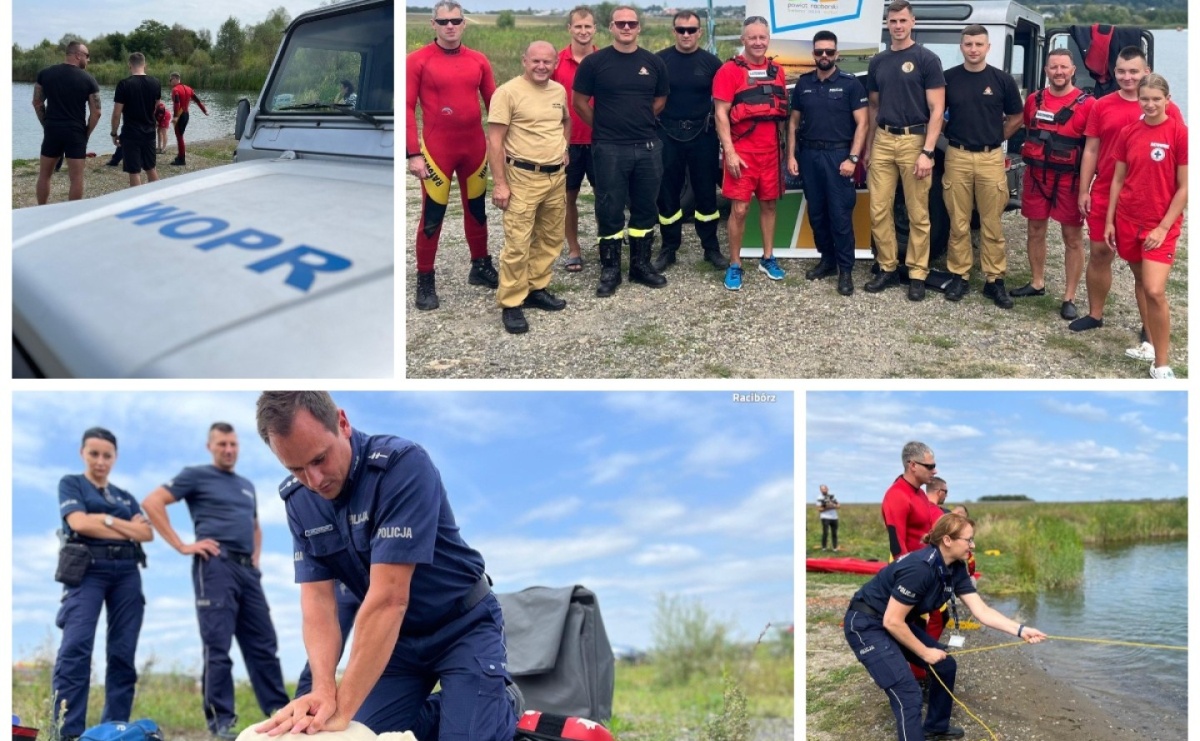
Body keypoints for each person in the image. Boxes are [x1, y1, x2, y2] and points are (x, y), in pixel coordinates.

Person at [254, 392, 520, 738]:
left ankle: (495, 700)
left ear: (343, 423)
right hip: (397, 642)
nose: (314, 480)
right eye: (297, 468)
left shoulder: (401, 465)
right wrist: (323, 689)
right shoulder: (299, 500)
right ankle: (458, 707)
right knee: (359, 735)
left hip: (462, 625)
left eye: (320, 459)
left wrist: (343, 706)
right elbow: (319, 602)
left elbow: (390, 598)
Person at [141, 423, 290, 740]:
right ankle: (222, 723)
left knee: (264, 643)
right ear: (210, 447)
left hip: (247, 570)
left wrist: (256, 560)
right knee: (218, 647)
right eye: (222, 444)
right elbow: (153, 502)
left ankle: (279, 713)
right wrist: (183, 545)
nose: (229, 450)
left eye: (234, 444)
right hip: (215, 566)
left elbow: (255, 526)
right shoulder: (195, 476)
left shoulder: (247, 485)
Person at [845, 513, 1046, 741]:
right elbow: (892, 621)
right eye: (968, 540)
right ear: (948, 540)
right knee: (908, 694)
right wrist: (925, 652)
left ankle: (935, 727)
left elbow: (982, 611)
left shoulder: (956, 567)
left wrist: (1020, 630)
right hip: (868, 625)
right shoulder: (920, 568)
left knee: (945, 665)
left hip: (895, 623)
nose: (973, 545)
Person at [52, 427, 154, 741]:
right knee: (77, 645)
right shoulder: (72, 483)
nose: (100, 461)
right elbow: (79, 522)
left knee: (123, 653)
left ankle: (114, 730)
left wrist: (103, 520)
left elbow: (147, 534)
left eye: (106, 455)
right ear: (83, 453)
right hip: (87, 568)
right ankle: (67, 732)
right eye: (94, 454)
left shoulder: (126, 496)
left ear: (115, 458)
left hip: (126, 571)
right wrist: (123, 525)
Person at [1073, 46, 1179, 334]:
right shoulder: (1101, 105)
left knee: (1142, 267)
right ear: (1114, 72)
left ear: (1146, 71)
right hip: (1107, 188)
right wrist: (1085, 189)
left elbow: (1176, 153)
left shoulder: (1164, 106)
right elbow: (1091, 149)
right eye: (1121, 71)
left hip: (1146, 195)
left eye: (1134, 71)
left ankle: (1149, 326)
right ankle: (1095, 314)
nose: (1127, 76)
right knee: (1099, 253)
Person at [406, 1, 500, 311]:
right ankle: (425, 279)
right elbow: (407, 107)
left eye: (456, 20)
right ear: (432, 24)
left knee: (477, 210)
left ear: (464, 24)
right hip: (437, 151)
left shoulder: (479, 60)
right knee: (433, 215)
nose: (450, 26)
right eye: (443, 21)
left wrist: (504, 144)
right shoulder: (417, 60)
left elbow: (495, 106)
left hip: (473, 148)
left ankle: (480, 265)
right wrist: (413, 154)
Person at [572, 5, 670, 297]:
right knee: (610, 208)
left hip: (647, 147)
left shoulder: (653, 63)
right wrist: (604, 127)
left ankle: (640, 266)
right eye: (620, 23)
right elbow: (579, 103)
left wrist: (639, 123)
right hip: (609, 148)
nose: (626, 28)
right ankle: (611, 269)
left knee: (644, 208)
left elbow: (660, 100)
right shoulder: (594, 63)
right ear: (611, 27)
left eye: (632, 23)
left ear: (639, 28)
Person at [1105, 73, 1187, 380]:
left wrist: (1163, 228)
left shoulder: (1180, 133)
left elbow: (1184, 188)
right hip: (1128, 220)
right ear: (1137, 99)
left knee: (1154, 290)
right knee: (1141, 282)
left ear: (1167, 99)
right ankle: (1150, 344)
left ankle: (1162, 365)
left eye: (1156, 99)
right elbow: (1117, 179)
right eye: (1144, 99)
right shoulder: (1129, 132)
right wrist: (1110, 220)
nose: (1150, 104)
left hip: (1159, 226)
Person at [862, 0, 946, 301]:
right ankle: (886, 267)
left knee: (917, 212)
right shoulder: (878, 62)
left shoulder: (927, 59)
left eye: (902, 21)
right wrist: (871, 146)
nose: (897, 26)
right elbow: (874, 106)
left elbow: (937, 110)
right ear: (887, 24)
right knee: (878, 209)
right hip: (883, 139)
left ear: (913, 22)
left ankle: (917, 273)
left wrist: (928, 151)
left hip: (915, 140)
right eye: (892, 21)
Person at [487, 41, 571, 334]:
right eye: (535, 61)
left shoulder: (558, 91)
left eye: (547, 62)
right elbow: (495, 141)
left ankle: (536, 288)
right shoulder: (507, 92)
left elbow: (565, 122)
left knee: (550, 237)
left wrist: (564, 148)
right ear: (524, 61)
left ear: (555, 64)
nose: (541, 66)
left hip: (555, 176)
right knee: (518, 243)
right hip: (522, 176)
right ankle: (511, 302)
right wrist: (500, 184)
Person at [940, 25, 1023, 309]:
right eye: (968, 44)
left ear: (988, 47)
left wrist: (996, 137)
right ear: (961, 47)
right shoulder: (948, 79)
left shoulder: (1002, 80)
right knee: (958, 221)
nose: (973, 49)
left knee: (992, 223)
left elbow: (1016, 117)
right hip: (957, 155)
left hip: (990, 158)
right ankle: (959, 275)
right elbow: (936, 113)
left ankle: (994, 281)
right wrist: (949, 130)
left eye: (978, 44)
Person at [1011, 49, 1095, 320]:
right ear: (1046, 70)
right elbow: (1028, 129)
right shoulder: (1034, 100)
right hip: (1036, 176)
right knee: (1035, 230)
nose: (1058, 72)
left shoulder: (1088, 104)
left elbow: (1092, 148)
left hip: (1069, 180)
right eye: (1053, 67)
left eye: (1064, 67)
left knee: (1072, 238)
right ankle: (1037, 282)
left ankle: (1069, 296)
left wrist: (1085, 188)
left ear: (1073, 70)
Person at [787, 30, 869, 296]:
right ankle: (827, 261)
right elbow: (793, 123)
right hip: (809, 156)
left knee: (840, 215)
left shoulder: (850, 84)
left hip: (838, 158)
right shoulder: (803, 84)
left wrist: (853, 159)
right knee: (818, 214)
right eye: (819, 51)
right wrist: (790, 155)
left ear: (837, 54)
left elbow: (863, 123)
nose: (824, 56)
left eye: (829, 52)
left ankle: (845, 270)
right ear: (813, 53)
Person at [713, 15, 789, 291]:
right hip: (742, 153)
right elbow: (721, 113)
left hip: (770, 153)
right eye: (752, 37)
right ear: (743, 39)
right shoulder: (729, 71)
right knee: (740, 209)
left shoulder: (777, 71)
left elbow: (781, 115)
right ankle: (735, 264)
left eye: (762, 37)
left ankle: (768, 258)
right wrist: (729, 152)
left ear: (768, 40)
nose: (758, 42)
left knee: (769, 205)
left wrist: (785, 152)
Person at [653, 11, 728, 273]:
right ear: (674, 31)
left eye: (691, 29)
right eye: (681, 29)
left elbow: (724, 101)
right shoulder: (659, 61)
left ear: (700, 32)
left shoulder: (711, 63)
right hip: (667, 134)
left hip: (702, 135)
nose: (686, 34)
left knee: (706, 194)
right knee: (667, 194)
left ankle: (711, 249)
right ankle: (669, 248)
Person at [880, 440, 942, 682]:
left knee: (938, 617)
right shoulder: (897, 495)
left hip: (926, 568)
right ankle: (916, 677)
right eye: (930, 465)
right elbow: (897, 546)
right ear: (912, 465)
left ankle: (925, 665)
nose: (935, 470)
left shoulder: (919, 494)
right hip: (910, 572)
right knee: (913, 622)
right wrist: (913, 578)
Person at [551, 6, 598, 273]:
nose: (583, 31)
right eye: (578, 26)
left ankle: (607, 244)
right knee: (568, 198)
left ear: (595, 30)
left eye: (588, 26)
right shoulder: (556, 62)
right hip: (567, 143)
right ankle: (574, 249)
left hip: (600, 141)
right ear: (569, 29)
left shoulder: (605, 59)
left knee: (605, 197)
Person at [33, 40, 100, 204]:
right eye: (87, 56)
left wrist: (46, 124)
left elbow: (37, 102)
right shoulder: (88, 79)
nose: (88, 60)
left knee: (45, 174)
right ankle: (71, 214)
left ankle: (41, 209)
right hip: (76, 132)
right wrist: (86, 133)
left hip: (52, 129)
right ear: (78, 55)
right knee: (76, 178)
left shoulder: (45, 74)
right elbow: (96, 112)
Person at [110, 52, 161, 188]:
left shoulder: (124, 84)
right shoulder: (155, 83)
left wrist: (114, 133)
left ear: (129, 65)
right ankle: (159, 197)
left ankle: (138, 203)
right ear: (145, 65)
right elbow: (157, 107)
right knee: (151, 168)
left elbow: (116, 113)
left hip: (131, 133)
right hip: (149, 131)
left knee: (134, 171)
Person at [168, 72, 209, 166]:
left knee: (179, 137)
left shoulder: (175, 90)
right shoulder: (188, 88)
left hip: (180, 115)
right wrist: (204, 110)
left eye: (170, 80)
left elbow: (177, 104)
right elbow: (197, 100)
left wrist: (175, 117)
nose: (170, 82)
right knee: (180, 136)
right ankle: (180, 156)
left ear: (175, 79)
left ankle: (181, 159)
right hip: (186, 114)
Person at [817, 484, 840, 551]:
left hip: (834, 517)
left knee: (834, 533)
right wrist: (828, 507)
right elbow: (819, 509)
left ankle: (835, 548)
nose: (823, 490)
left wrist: (832, 506)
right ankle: (824, 548)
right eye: (822, 489)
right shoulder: (819, 498)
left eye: (825, 489)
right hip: (825, 517)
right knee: (825, 532)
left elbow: (838, 506)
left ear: (827, 489)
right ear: (820, 490)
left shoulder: (832, 497)